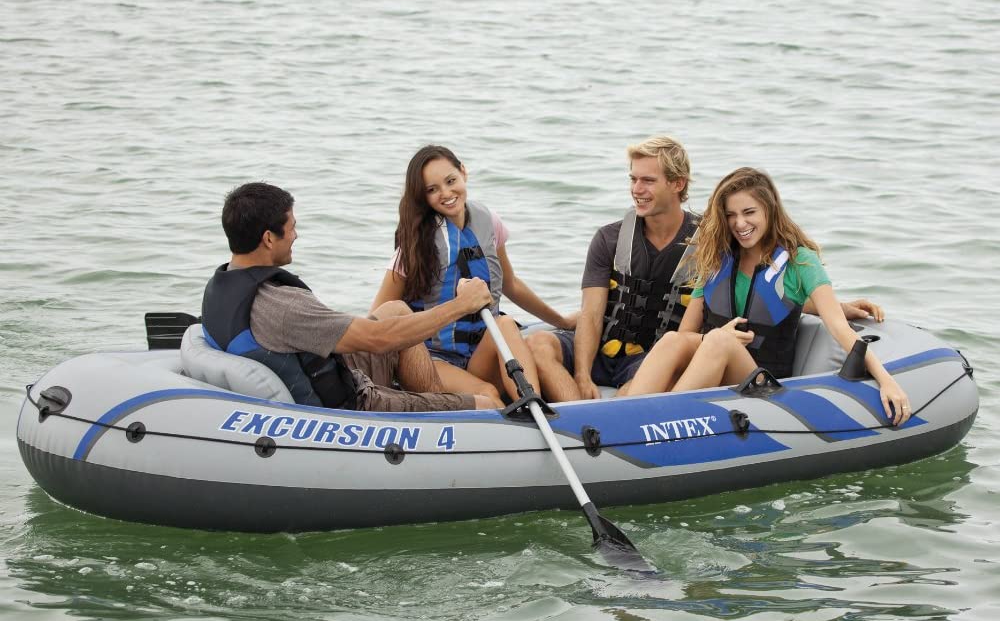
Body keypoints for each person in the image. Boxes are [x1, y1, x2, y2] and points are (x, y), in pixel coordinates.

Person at [526, 135, 885, 402]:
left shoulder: (722, 244)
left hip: (726, 371)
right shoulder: (621, 240)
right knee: (543, 342)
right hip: (636, 349)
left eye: (647, 180)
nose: (636, 189)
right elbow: (599, 316)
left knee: (705, 343)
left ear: (677, 184)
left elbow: (781, 296)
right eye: (633, 179)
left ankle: (639, 417)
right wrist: (582, 373)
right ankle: (593, 420)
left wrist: (835, 309)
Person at [624, 167, 912, 426]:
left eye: (749, 212)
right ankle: (624, 418)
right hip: (711, 366)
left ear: (769, 211)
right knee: (673, 340)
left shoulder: (800, 261)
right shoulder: (717, 259)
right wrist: (711, 339)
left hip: (764, 385)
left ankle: (658, 423)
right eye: (731, 215)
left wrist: (886, 380)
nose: (739, 223)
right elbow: (686, 334)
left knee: (719, 340)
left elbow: (839, 329)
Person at [201, 182, 499, 413]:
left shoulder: (223, 284)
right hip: (351, 401)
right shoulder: (282, 305)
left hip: (322, 369)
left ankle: (436, 403)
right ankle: (445, 418)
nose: (295, 236)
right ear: (268, 238)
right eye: (292, 228)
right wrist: (461, 305)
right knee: (485, 403)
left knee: (396, 309)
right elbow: (379, 339)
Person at [370, 145, 576, 403]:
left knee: (504, 323)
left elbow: (511, 284)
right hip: (435, 360)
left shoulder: (488, 222)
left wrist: (562, 321)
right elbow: (379, 316)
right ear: (423, 197)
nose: (446, 193)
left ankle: (534, 404)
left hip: (478, 354)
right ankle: (516, 419)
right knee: (487, 393)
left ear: (463, 172)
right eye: (432, 190)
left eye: (450, 181)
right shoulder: (414, 245)